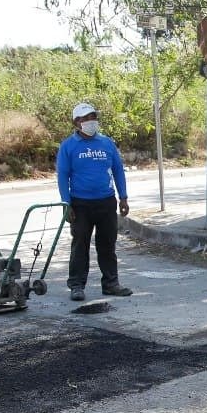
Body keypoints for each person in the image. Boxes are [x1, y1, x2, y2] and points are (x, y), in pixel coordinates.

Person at [57, 102, 133, 301]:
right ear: (77, 122)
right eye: (86, 118)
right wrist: (67, 204)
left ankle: (111, 283)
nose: (92, 121)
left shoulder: (107, 143)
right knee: (80, 244)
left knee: (107, 244)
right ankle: (76, 285)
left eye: (93, 117)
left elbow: (118, 170)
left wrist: (123, 197)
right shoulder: (68, 146)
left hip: (106, 202)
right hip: (80, 204)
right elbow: (63, 176)